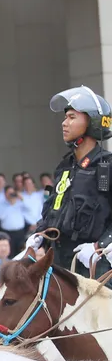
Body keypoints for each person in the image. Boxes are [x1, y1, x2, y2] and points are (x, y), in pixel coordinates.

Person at [25, 86, 112, 276]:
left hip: (94, 266)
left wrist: (100, 247)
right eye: (65, 117)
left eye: (72, 117)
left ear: (92, 122)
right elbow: (55, 207)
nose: (64, 123)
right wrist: (39, 234)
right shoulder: (65, 166)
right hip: (59, 262)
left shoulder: (108, 165)